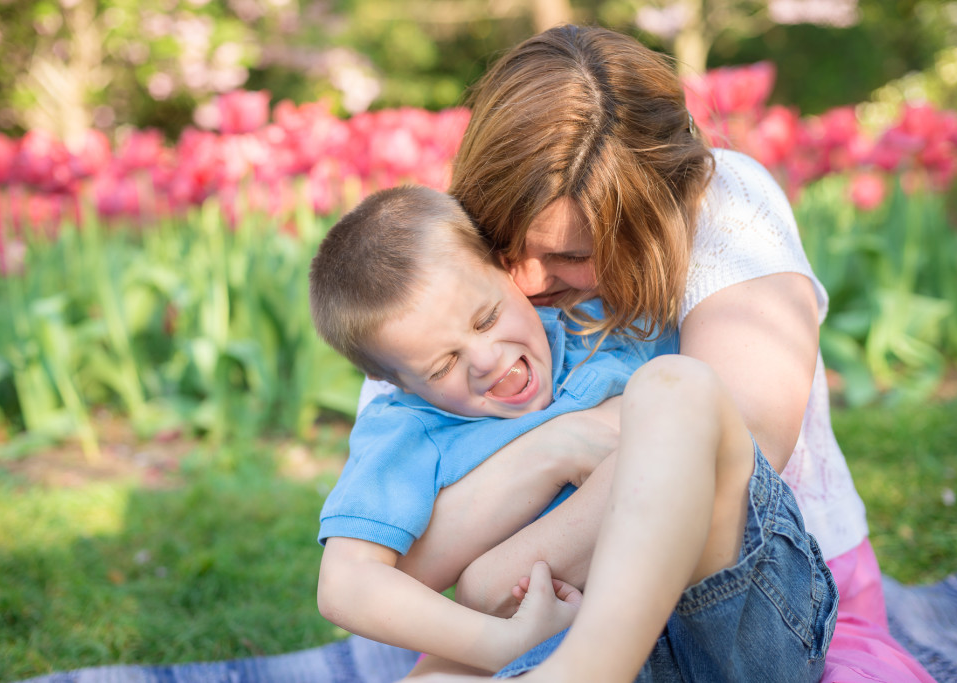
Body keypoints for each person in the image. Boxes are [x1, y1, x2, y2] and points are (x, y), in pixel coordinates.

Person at [380, 24, 934, 683]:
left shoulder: (724, 205)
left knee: (677, 390)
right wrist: (556, 448)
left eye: (572, 256)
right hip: (540, 623)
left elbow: (741, 438)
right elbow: (395, 546)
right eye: (505, 242)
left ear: (661, 209)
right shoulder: (438, 261)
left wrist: (496, 572)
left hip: (734, 606)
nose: (527, 283)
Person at [309, 185, 835, 680]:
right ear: (389, 381)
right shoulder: (409, 428)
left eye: (487, 317)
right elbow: (344, 583)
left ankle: (590, 667)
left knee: (676, 387)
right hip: (558, 644)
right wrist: (493, 642)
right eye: (443, 364)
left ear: (508, 273)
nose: (487, 360)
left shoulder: (595, 325)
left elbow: (733, 428)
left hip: (735, 620)